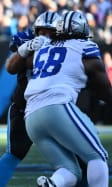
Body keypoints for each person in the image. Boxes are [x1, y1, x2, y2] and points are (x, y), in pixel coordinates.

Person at [24, 10, 111, 187]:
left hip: (31, 116)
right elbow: (103, 86)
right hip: (56, 106)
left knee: (70, 170)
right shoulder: (85, 46)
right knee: (97, 156)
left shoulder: (44, 48)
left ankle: (52, 184)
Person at [0, 11, 59, 187]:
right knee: (14, 153)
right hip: (24, 105)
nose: (46, 36)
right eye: (42, 32)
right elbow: (15, 63)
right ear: (36, 31)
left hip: (54, 106)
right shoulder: (24, 39)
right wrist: (28, 47)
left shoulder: (66, 45)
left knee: (71, 153)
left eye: (51, 32)